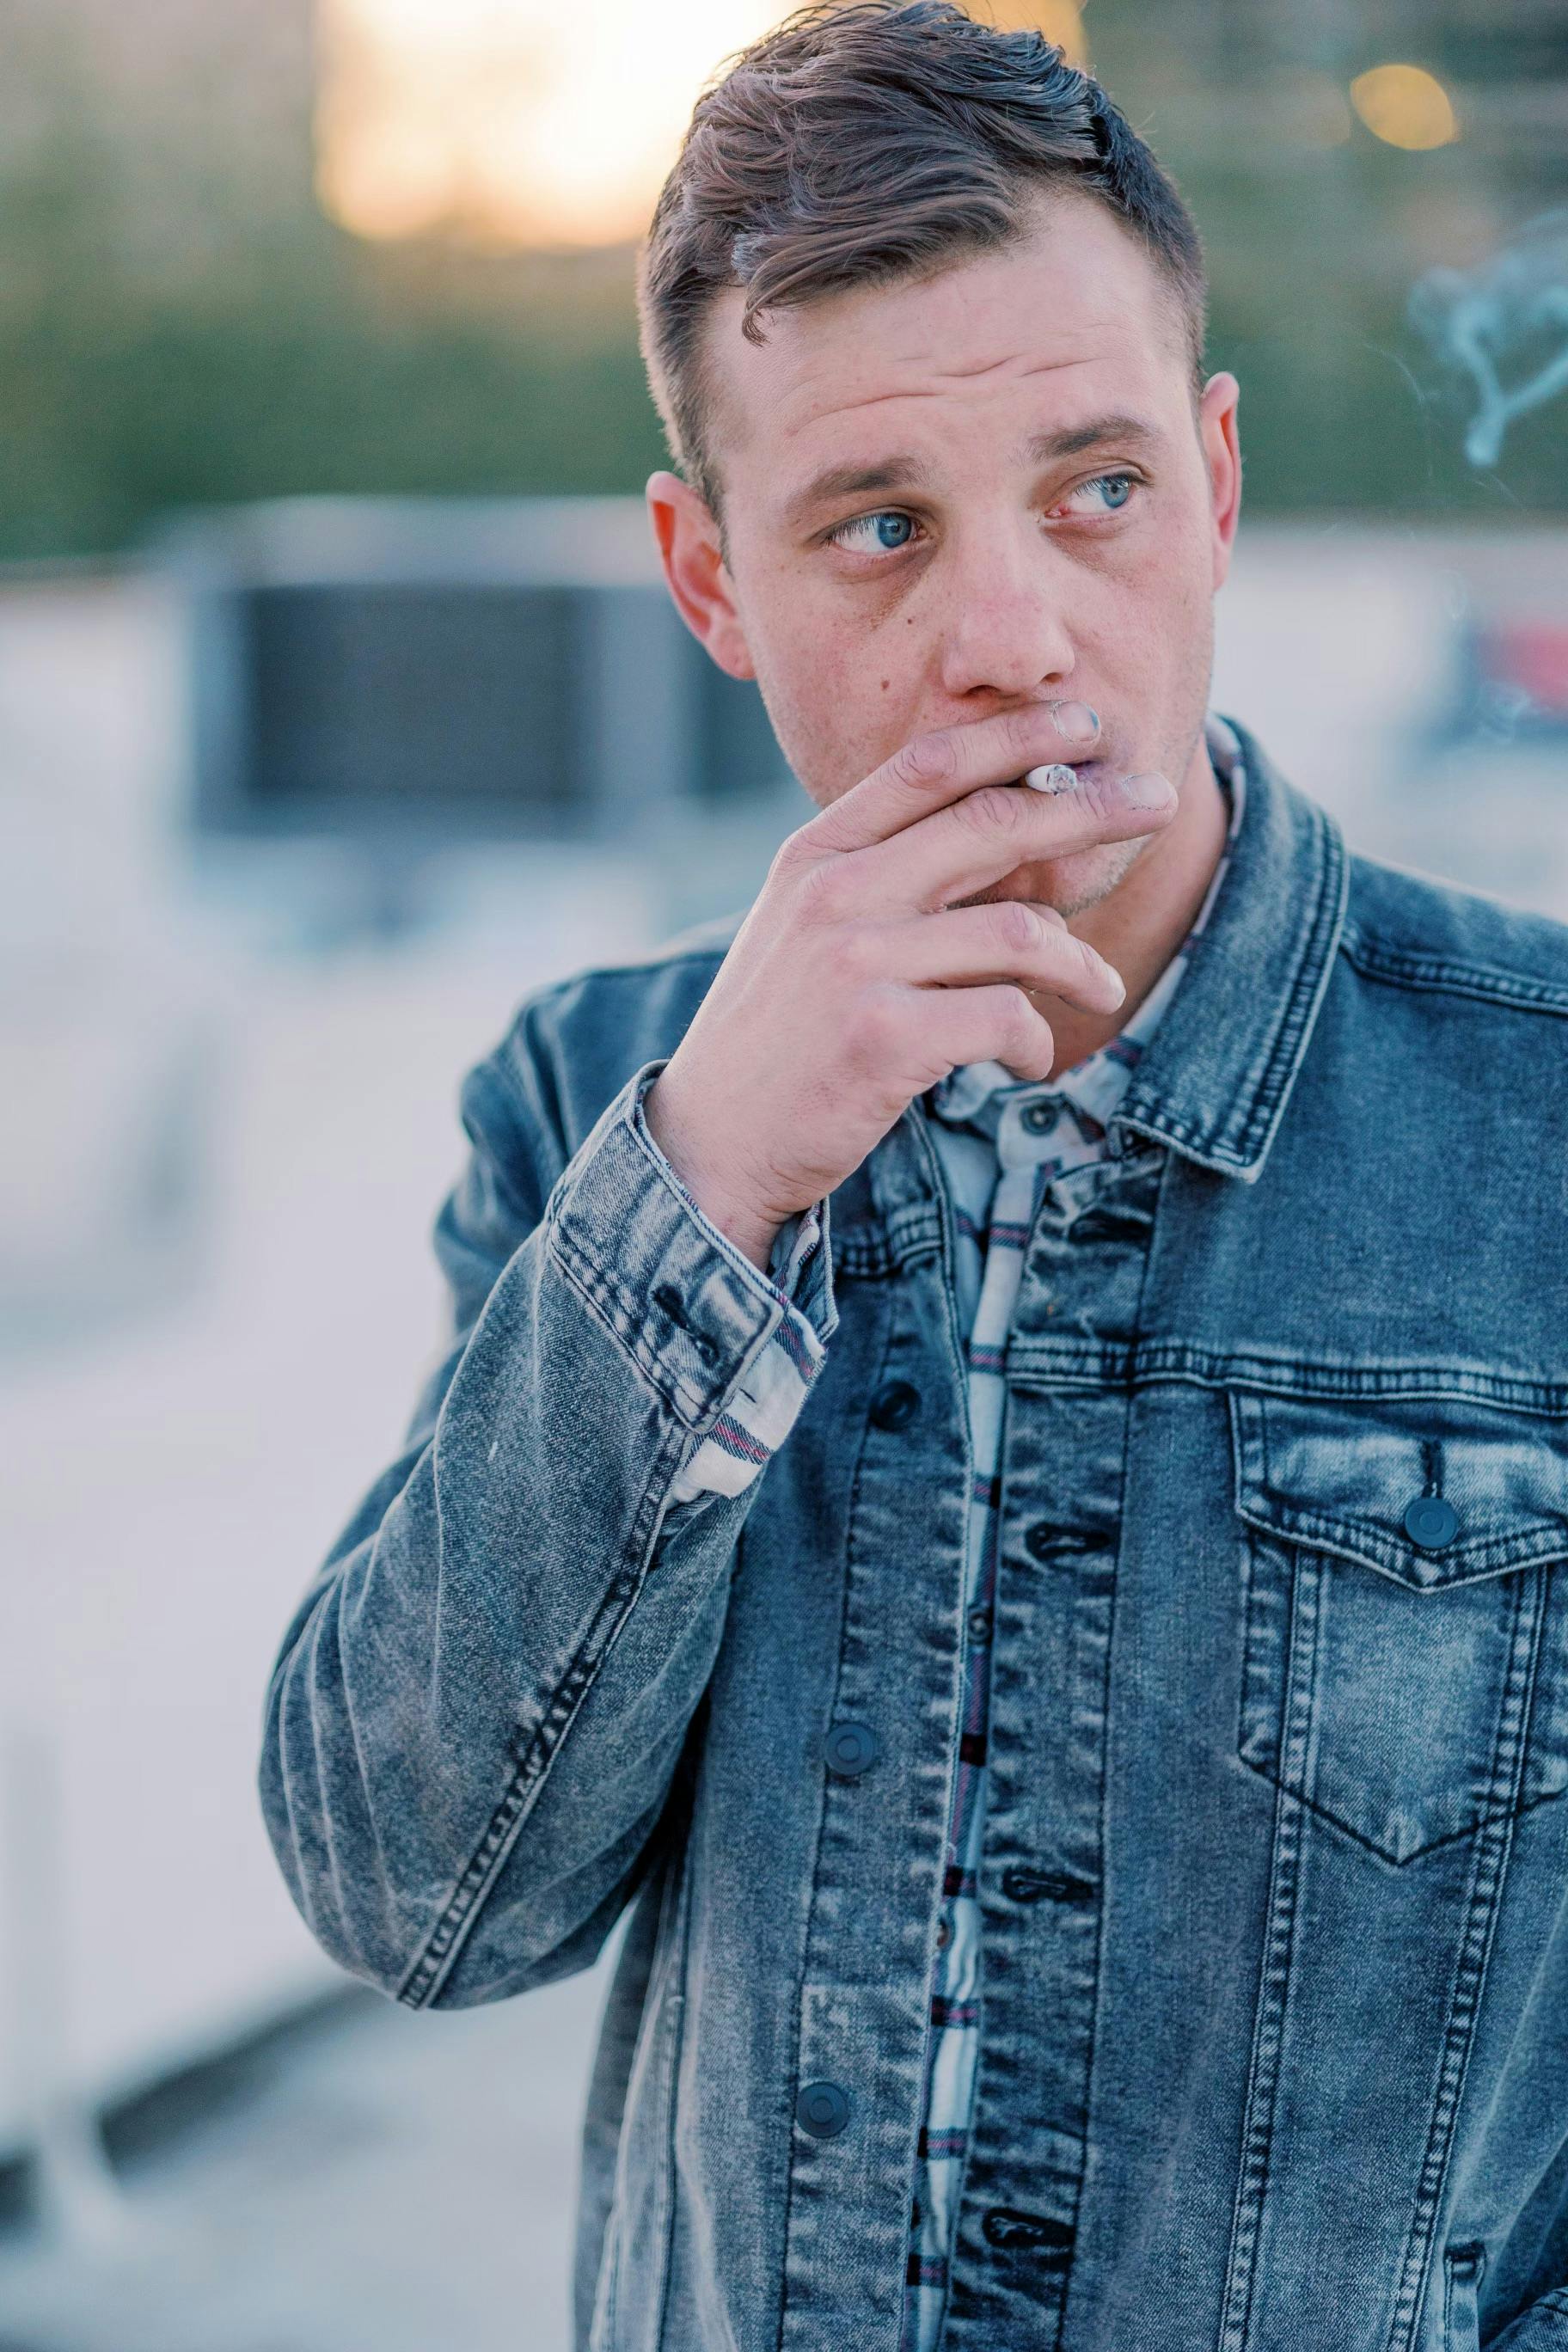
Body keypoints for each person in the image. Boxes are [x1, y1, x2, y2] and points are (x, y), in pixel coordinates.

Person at [258, 7, 1568, 2348]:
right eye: (879, 528)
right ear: (710, 581)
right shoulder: (587, 1102)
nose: (1011, 642)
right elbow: (411, 1896)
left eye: (1097, 492)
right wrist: (704, 1192)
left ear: (1222, 485)